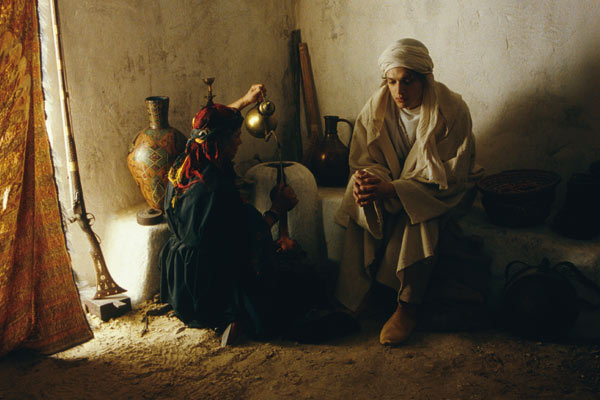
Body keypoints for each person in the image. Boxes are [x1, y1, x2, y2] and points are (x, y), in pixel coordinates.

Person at [334, 38, 484, 346]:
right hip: (394, 187)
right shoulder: (375, 109)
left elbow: (448, 176)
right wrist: (367, 181)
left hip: (444, 192)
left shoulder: (452, 109)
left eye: (407, 81)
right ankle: (353, 298)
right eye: (392, 82)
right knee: (359, 197)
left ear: (425, 78)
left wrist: (394, 189)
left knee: (421, 215)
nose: (399, 91)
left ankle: (407, 306)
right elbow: (364, 161)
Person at [158, 84, 302, 344]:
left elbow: (209, 120)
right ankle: (233, 317)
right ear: (218, 142)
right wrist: (277, 209)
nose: (239, 140)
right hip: (206, 290)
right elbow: (247, 239)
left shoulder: (186, 162)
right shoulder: (216, 188)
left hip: (179, 284)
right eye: (235, 136)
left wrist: (246, 100)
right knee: (293, 287)